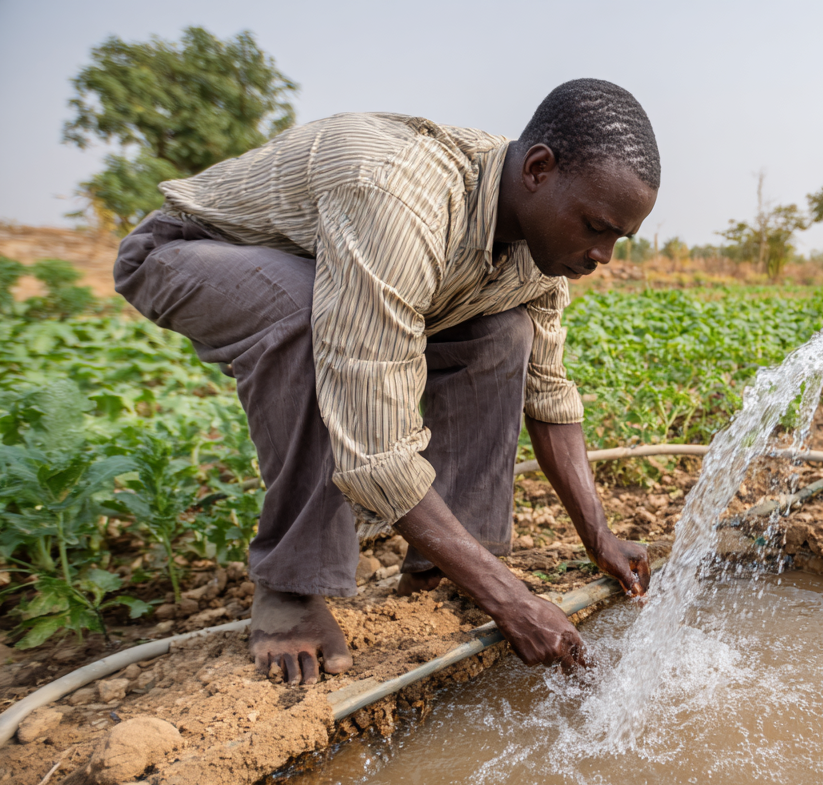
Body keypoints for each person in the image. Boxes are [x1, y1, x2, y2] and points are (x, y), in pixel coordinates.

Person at [113, 79, 659, 684]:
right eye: (595, 226)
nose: (603, 254)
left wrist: (599, 535)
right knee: (307, 317)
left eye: (617, 238)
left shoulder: (539, 254)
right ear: (537, 169)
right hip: (193, 251)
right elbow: (375, 447)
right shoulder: (401, 199)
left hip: (328, 270)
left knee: (504, 333)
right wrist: (512, 601)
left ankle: (440, 567)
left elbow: (548, 392)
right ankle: (290, 591)